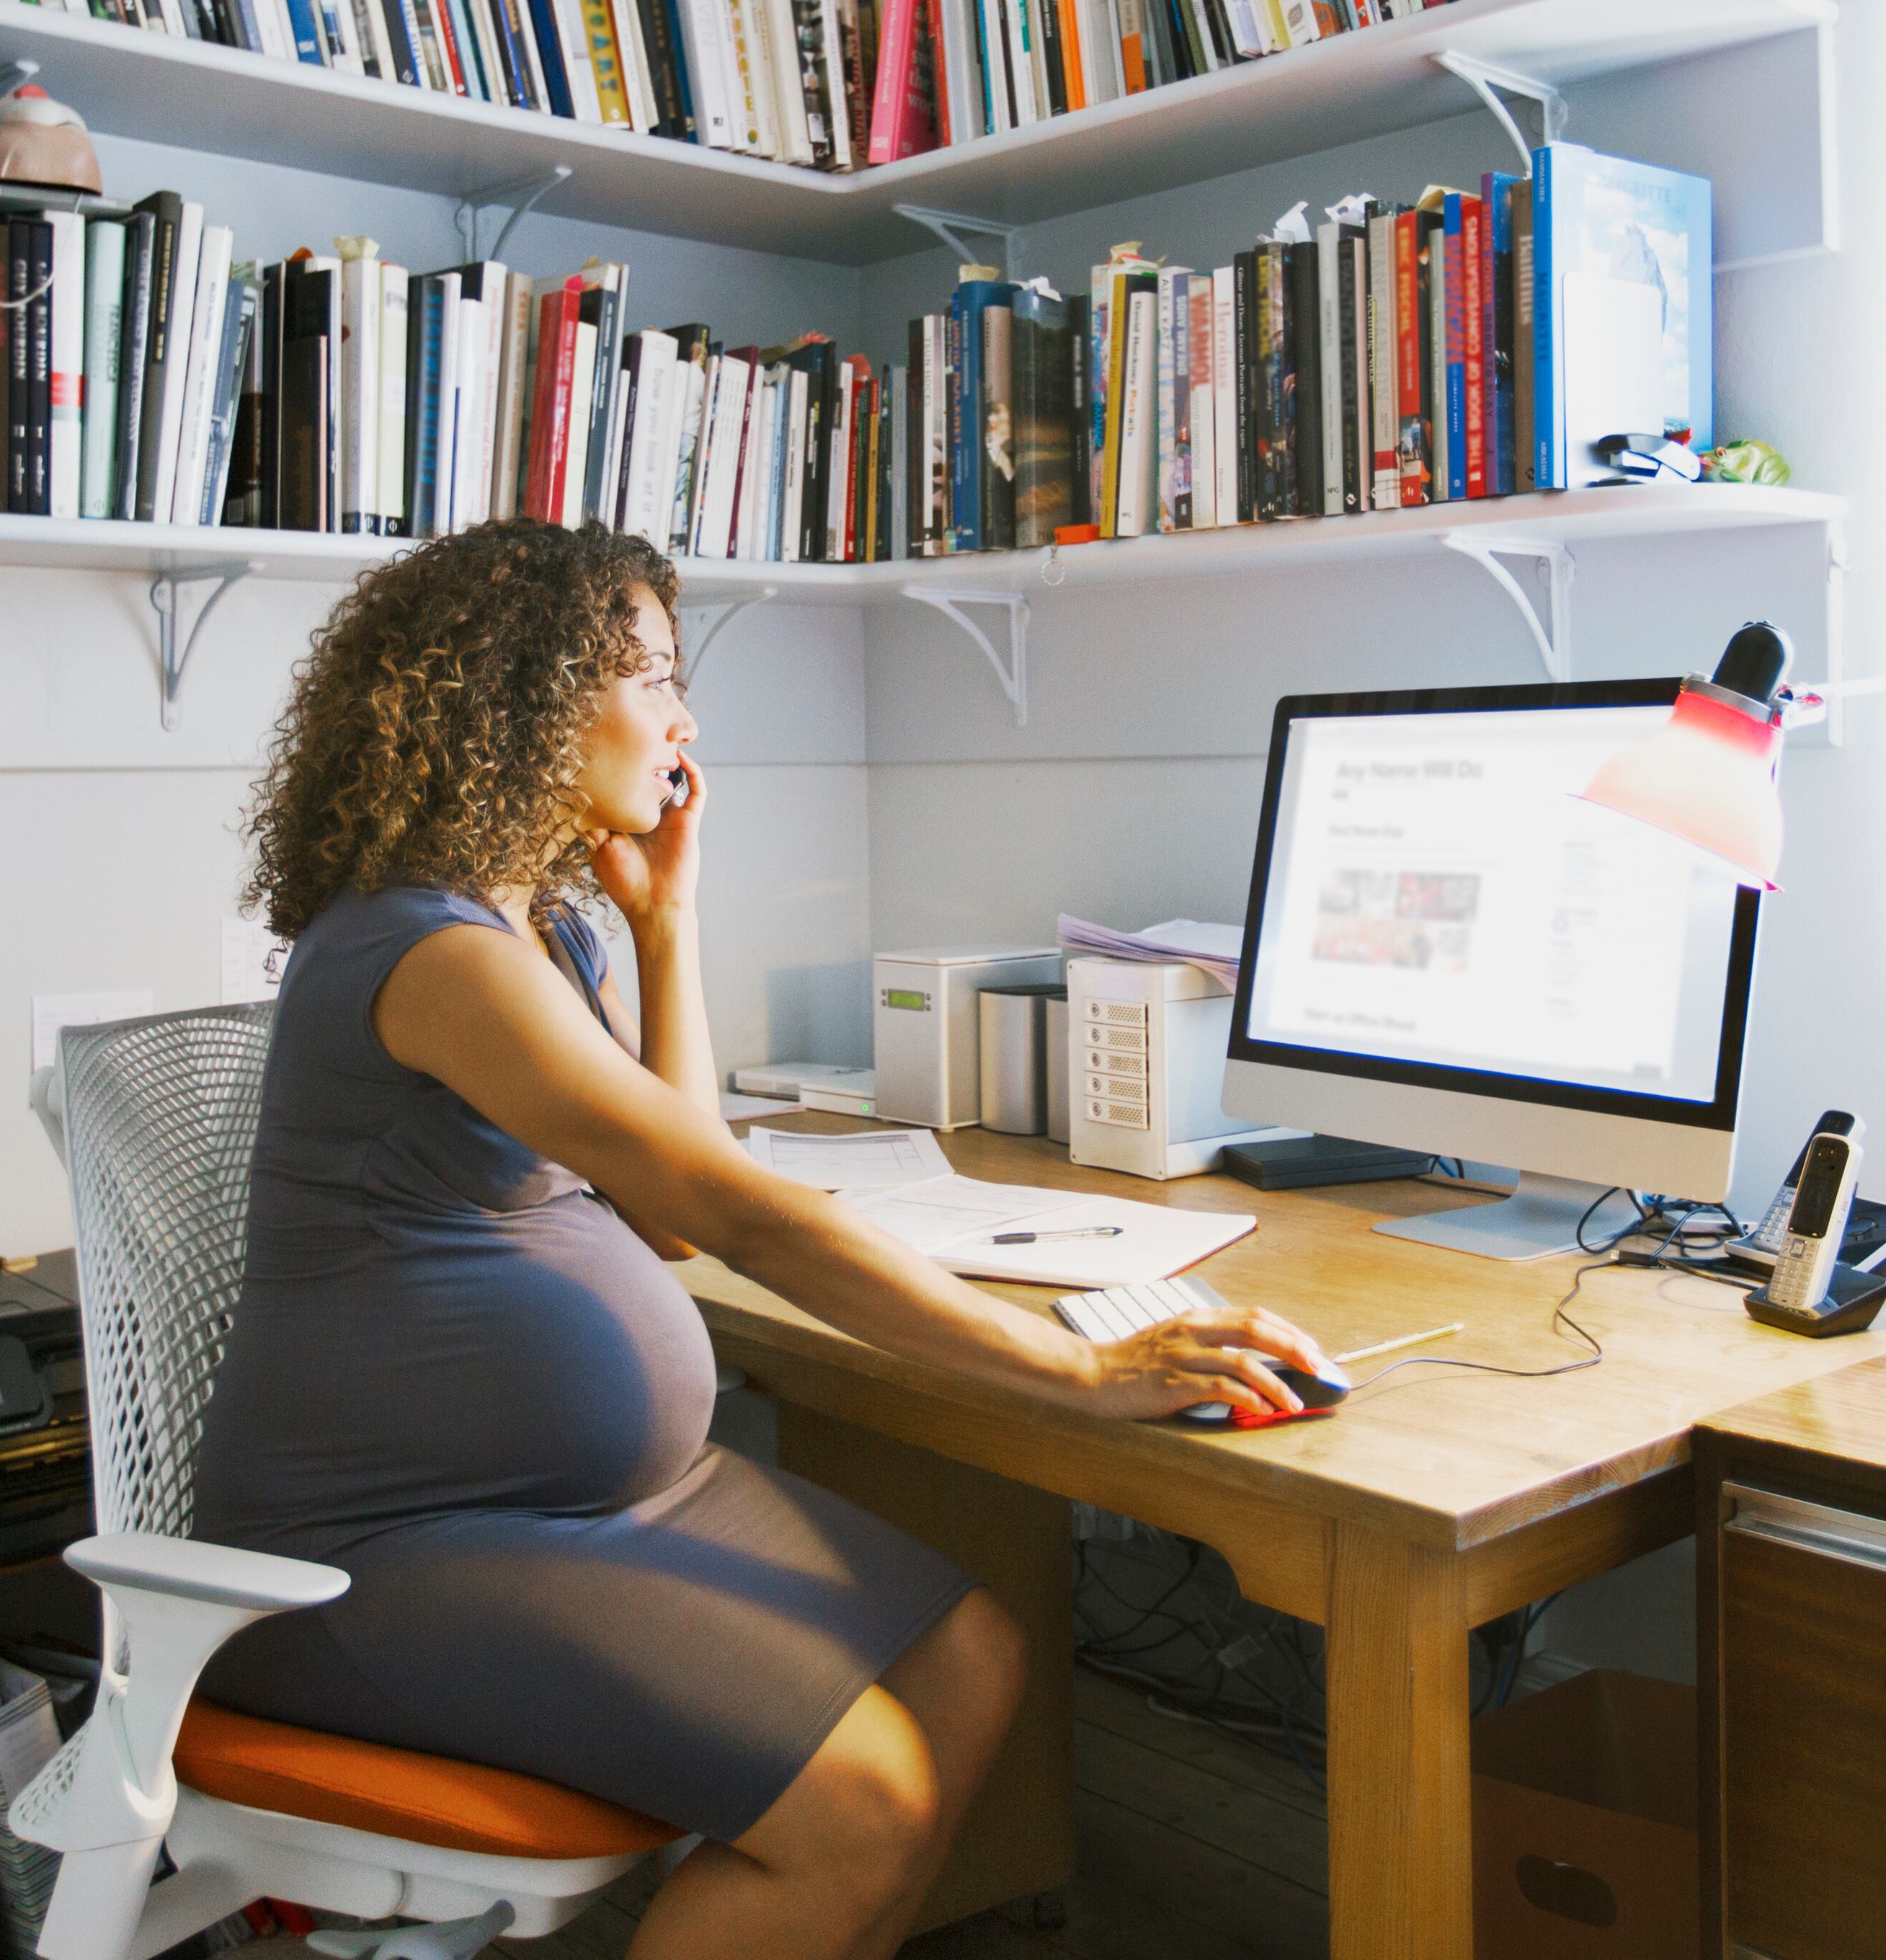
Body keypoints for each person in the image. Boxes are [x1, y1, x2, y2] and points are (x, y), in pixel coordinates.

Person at [190, 519, 1328, 1960]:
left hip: (583, 1504)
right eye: (652, 676)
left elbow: (666, 1218)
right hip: (375, 1553)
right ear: (524, 697)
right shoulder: (424, 950)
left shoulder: (541, 931)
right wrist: (1079, 1367)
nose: (682, 718)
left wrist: (666, 922)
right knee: (863, 1798)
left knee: (971, 1660)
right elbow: (728, 1207)